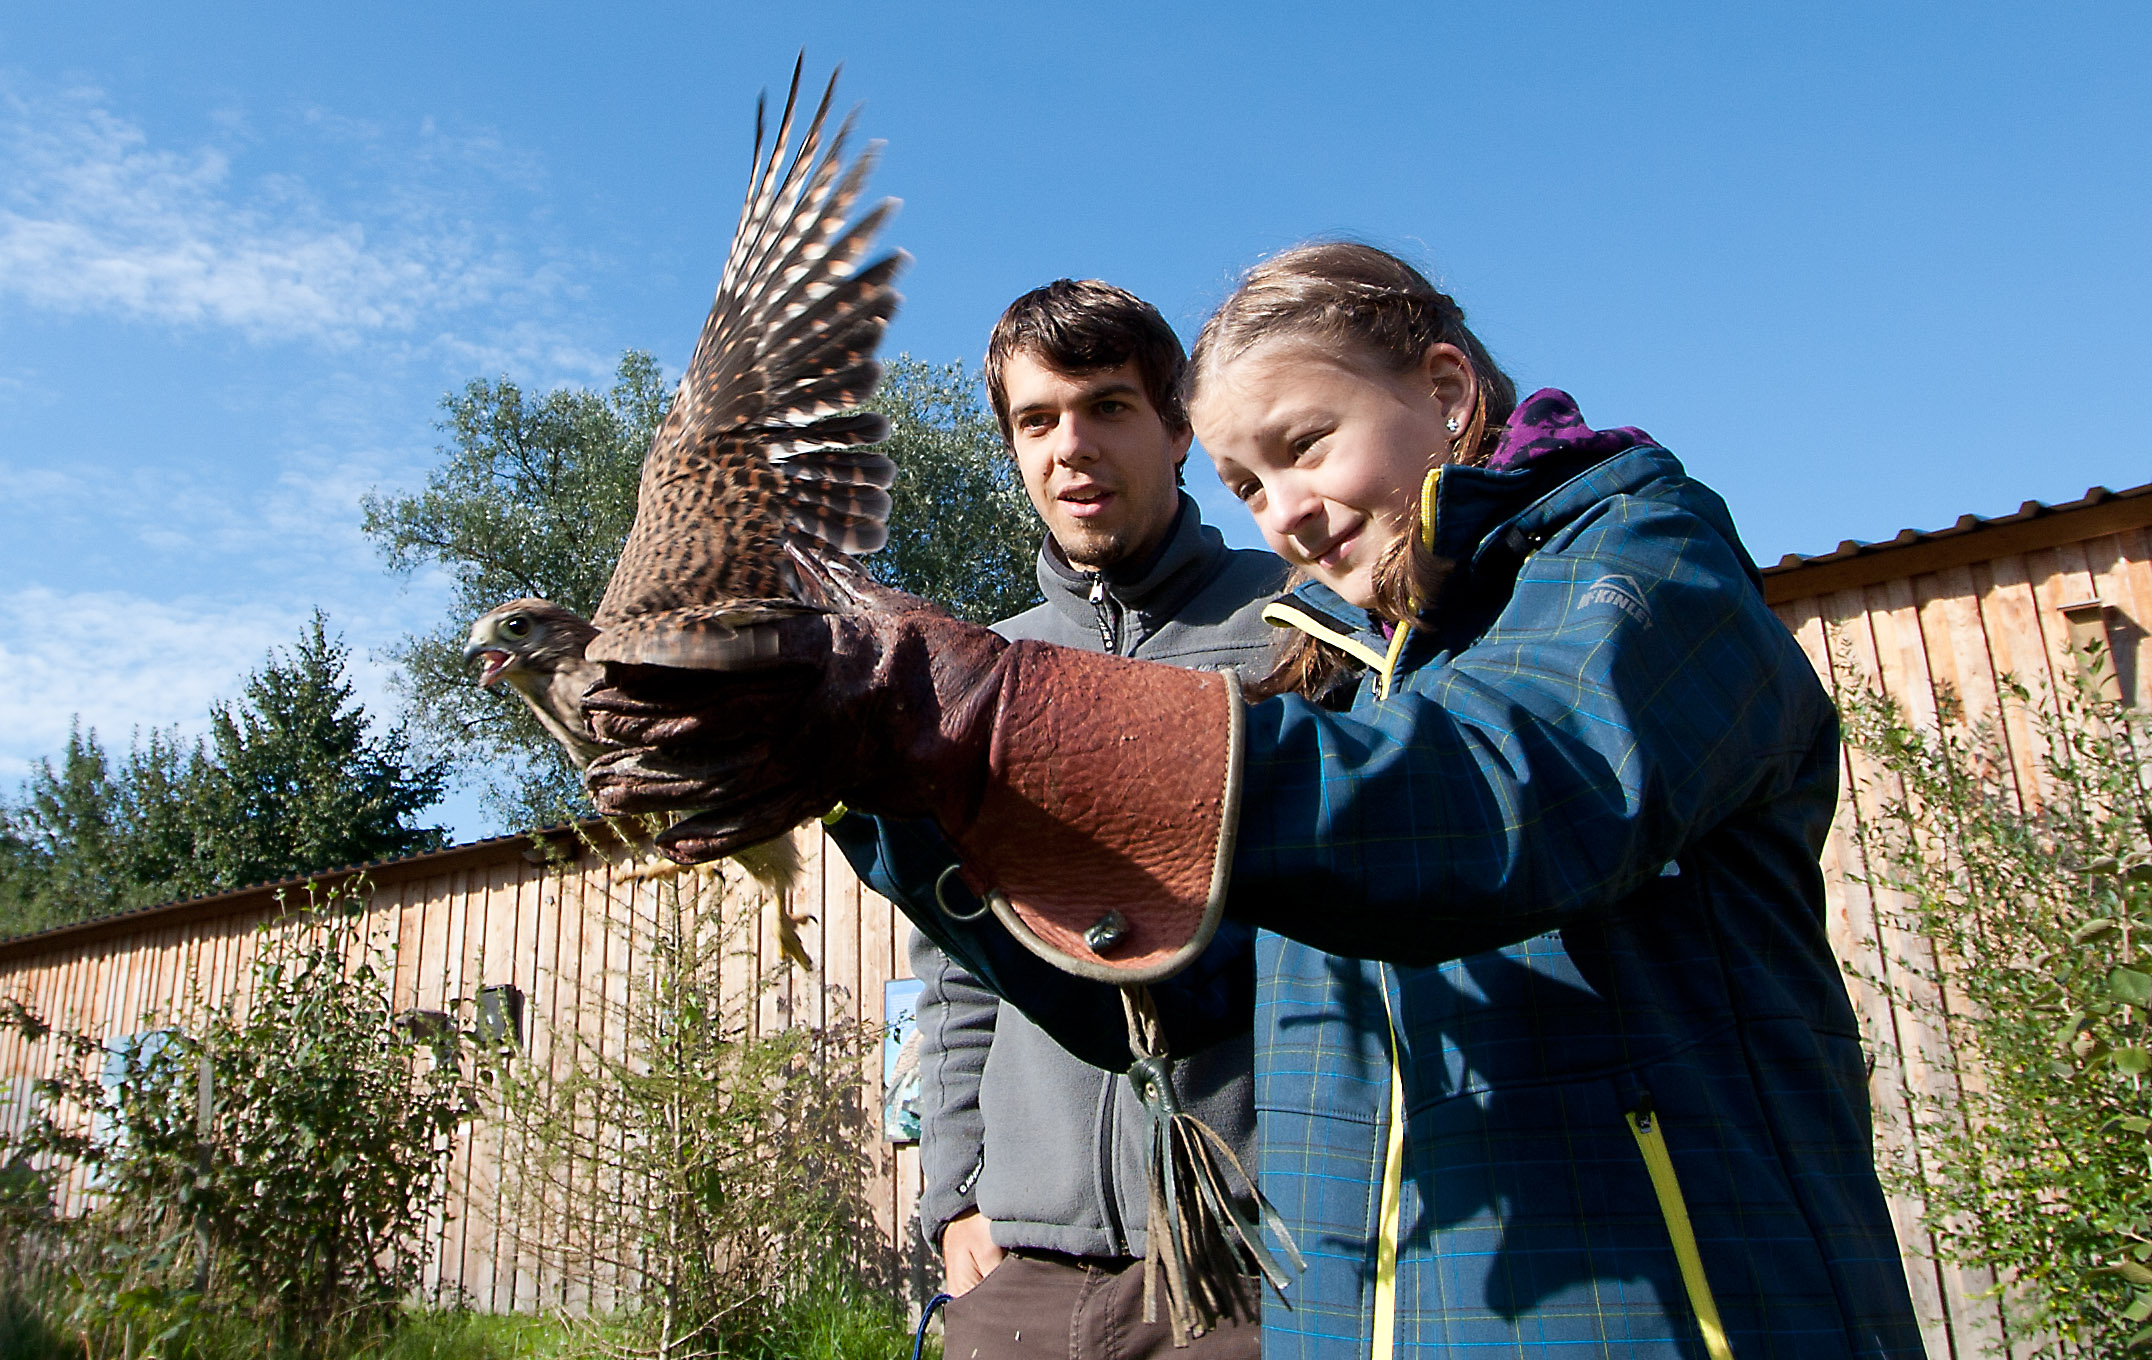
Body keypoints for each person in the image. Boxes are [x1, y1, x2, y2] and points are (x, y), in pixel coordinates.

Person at [584, 242, 1926, 1358]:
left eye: (1303, 446)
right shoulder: (1338, 671)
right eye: (1249, 483)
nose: (1282, 511)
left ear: (1448, 392)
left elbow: (1504, 801)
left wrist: (976, 710)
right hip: (1367, 1316)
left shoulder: (1641, 568)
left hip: (1666, 1311)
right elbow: (1182, 999)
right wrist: (886, 800)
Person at [909, 280, 1285, 1359]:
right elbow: (955, 971)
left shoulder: (1298, 631)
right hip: (1022, 1263)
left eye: (1106, 407)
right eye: (1036, 420)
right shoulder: (971, 676)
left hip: (1252, 1255)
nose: (1069, 446)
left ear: (1178, 429)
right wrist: (959, 1192)